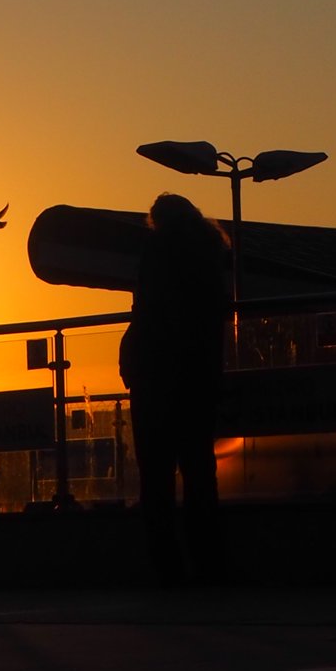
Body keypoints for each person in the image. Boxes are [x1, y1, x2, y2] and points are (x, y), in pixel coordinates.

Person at [119, 193, 230, 586]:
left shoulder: (158, 250)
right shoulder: (212, 252)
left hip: (156, 377)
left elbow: (148, 311)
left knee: (157, 477)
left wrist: (131, 362)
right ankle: (209, 561)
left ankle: (167, 567)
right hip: (198, 377)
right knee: (200, 472)